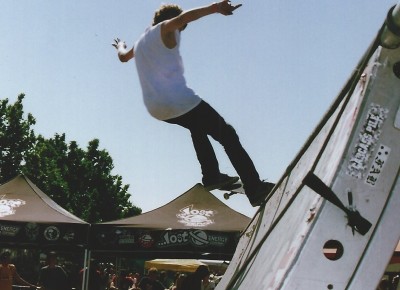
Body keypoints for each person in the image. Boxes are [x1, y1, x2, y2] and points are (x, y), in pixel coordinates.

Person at [112, 0, 274, 207]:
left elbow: (124, 57)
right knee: (227, 134)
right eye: (180, 29)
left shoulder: (142, 41)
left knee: (196, 127)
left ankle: (211, 175)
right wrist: (216, 7)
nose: (179, 33)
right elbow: (182, 18)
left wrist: (120, 45)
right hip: (179, 101)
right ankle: (255, 188)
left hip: (157, 108)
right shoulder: (164, 28)